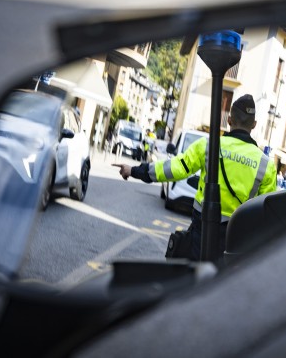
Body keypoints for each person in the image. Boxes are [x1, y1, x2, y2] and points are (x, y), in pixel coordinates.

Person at [114, 94, 277, 260]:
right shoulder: (266, 165)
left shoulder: (208, 146)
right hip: (235, 243)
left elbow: (174, 168)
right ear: (254, 125)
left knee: (191, 274)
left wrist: (135, 170)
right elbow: (266, 212)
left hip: (201, 234)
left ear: (229, 120)